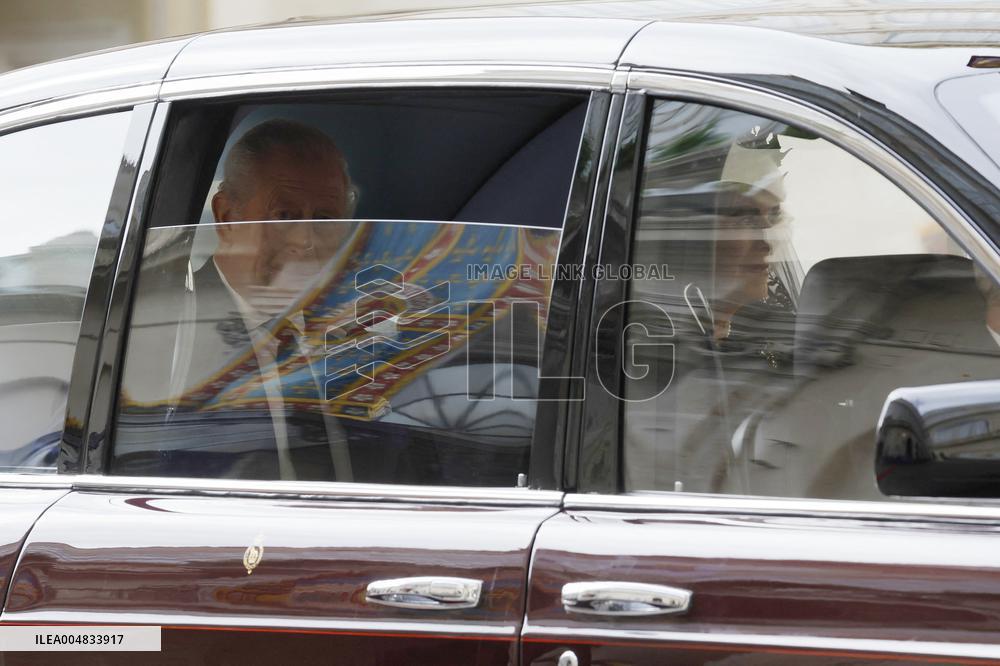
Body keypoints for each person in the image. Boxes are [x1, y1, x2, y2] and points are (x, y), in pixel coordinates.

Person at [117, 119, 358, 481]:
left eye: (324, 218)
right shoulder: (162, 336)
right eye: (285, 216)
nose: (305, 240)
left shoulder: (352, 339)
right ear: (227, 217)